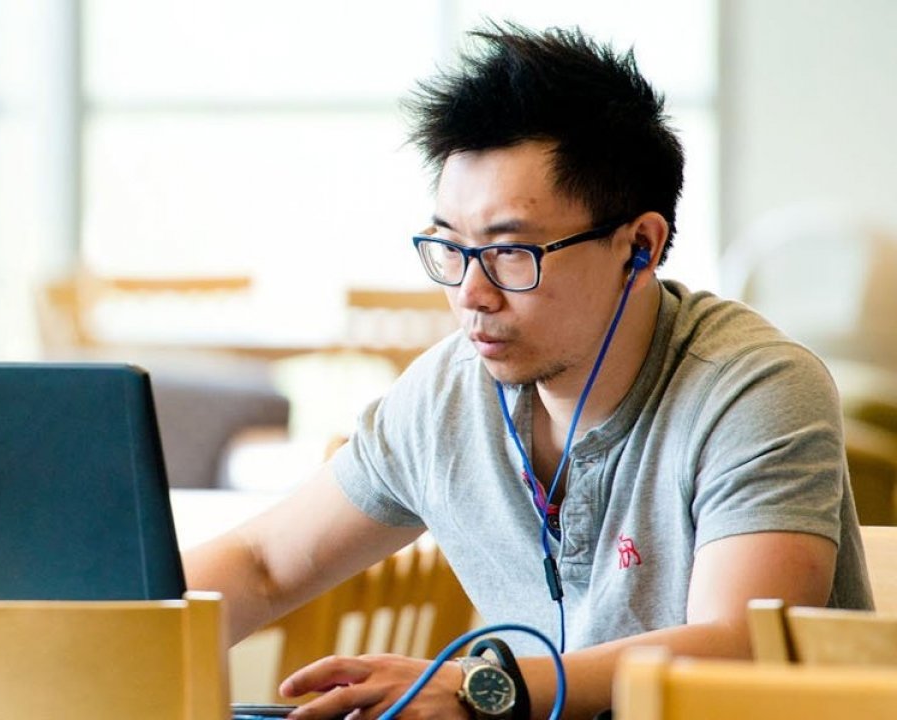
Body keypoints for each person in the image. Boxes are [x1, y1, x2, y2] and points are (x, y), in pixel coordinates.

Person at [185, 23, 873, 720]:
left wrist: (481, 686)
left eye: (512, 253)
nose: (469, 294)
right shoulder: (449, 393)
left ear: (639, 246)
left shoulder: (755, 389)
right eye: (450, 248)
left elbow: (738, 651)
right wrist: (97, 627)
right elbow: (263, 567)